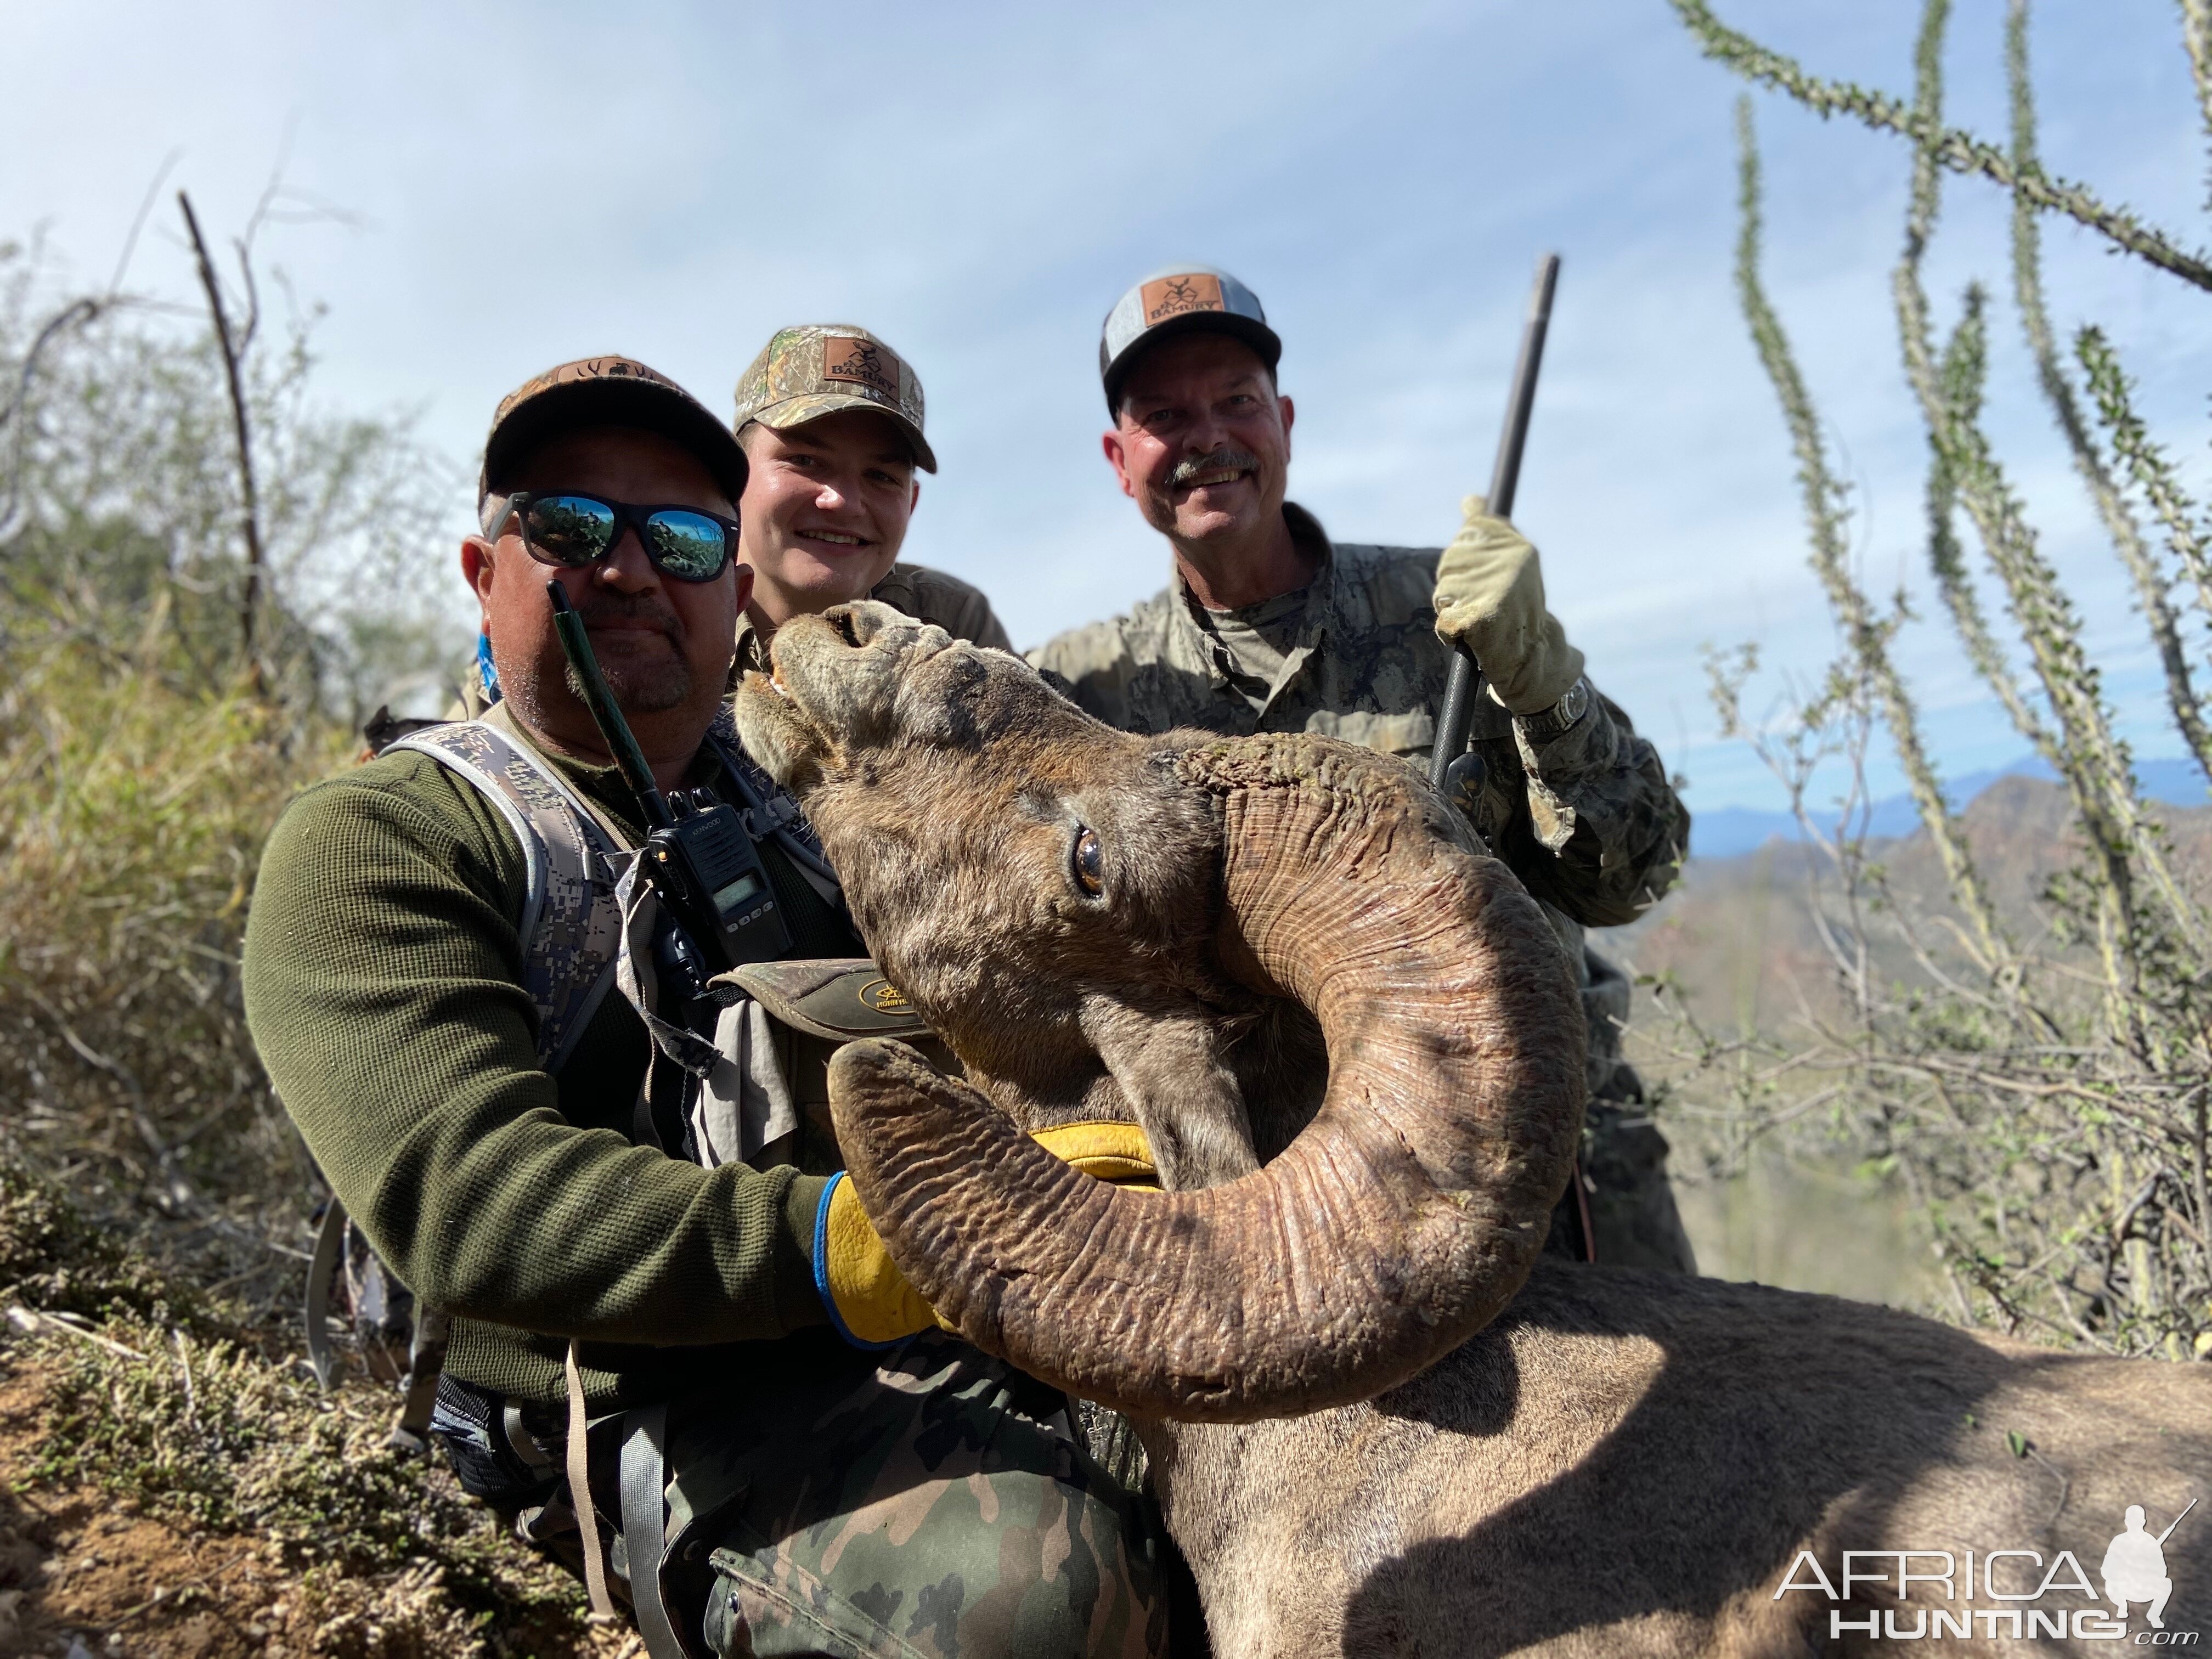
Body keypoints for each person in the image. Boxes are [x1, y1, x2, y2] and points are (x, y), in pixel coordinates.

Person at [244, 356, 1164, 1659]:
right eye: (568, 525)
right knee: (1046, 1595)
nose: (627, 569)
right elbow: (469, 1201)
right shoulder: (387, 836)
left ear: (735, 592)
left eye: (679, 537)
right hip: (617, 1408)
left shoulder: (824, 810)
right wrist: (887, 1246)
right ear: (481, 566)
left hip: (884, 1342)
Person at [1031, 266, 1697, 1271]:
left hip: (1553, 1176)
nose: (1207, 435)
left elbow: (1633, 875)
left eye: (1237, 402)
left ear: (1285, 424)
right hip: (1303, 1214)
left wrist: (1544, 682)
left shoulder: (1454, 612)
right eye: (1165, 415)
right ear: (1120, 460)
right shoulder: (1083, 692)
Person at [729, 323, 1012, 676]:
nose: (844, 502)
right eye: (805, 461)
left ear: (911, 505)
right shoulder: (674, 606)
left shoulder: (953, 627)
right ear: (734, 475)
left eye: (881, 477)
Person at [2102, 1505, 2177, 1628]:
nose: (2135, 1523)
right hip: (2123, 1588)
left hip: (2145, 1588)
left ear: (2143, 1522)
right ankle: (2122, 1606)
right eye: (2132, 1520)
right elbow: (2106, 1569)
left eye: (2137, 1520)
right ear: (2126, 1522)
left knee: (2166, 1583)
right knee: (2110, 1583)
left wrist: (2146, 1567)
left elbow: (2162, 1571)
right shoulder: (2119, 1541)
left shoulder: (2151, 1542)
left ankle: (2154, 1615)